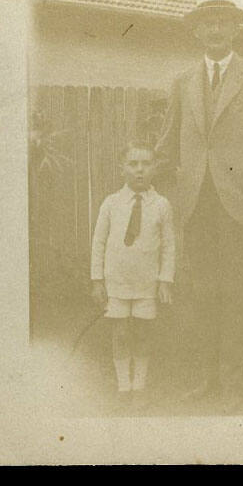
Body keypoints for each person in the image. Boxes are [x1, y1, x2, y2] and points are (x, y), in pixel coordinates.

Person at [155, 0, 243, 413]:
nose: (214, 30)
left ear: (234, 30)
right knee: (202, 293)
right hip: (195, 203)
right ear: (196, 32)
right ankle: (205, 380)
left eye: (222, 23)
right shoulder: (183, 81)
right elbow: (169, 140)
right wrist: (137, 177)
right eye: (206, 24)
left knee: (236, 293)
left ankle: (233, 383)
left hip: (240, 205)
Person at [91, 141, 175, 412]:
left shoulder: (161, 205)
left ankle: (139, 386)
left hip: (146, 283)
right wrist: (97, 279)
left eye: (146, 164)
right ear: (122, 168)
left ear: (154, 167)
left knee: (141, 333)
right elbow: (99, 242)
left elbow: (169, 245)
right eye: (133, 164)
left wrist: (165, 280)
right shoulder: (111, 203)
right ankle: (122, 387)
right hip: (116, 282)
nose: (140, 170)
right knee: (120, 332)